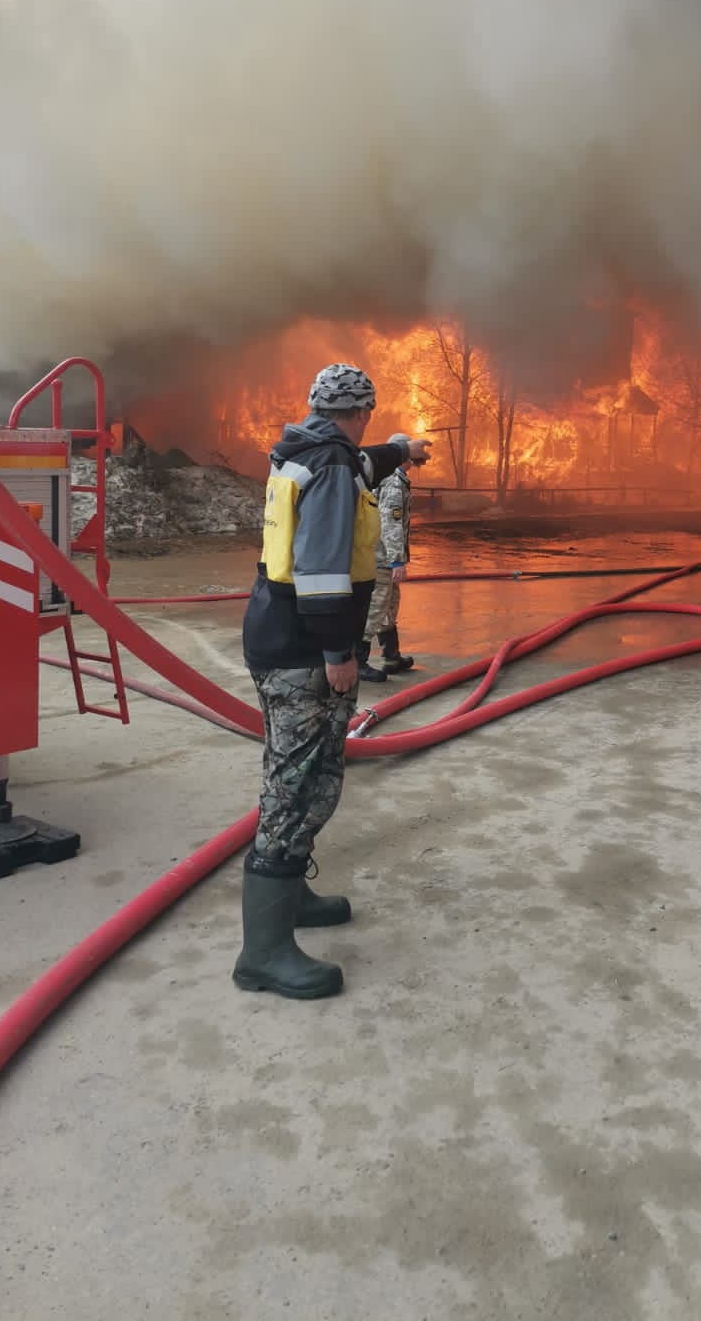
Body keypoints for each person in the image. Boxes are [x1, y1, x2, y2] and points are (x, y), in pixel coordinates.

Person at [235, 363, 431, 1000]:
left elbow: (360, 466)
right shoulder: (331, 467)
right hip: (303, 649)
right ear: (361, 413)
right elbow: (320, 566)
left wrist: (402, 450)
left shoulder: (306, 450)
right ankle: (262, 955)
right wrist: (339, 650)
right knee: (297, 788)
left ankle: (291, 895)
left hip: (278, 637)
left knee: (299, 775)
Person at [357, 433, 425, 682]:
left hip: (382, 555)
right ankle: (358, 661)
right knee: (377, 605)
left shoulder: (393, 478)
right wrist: (397, 560)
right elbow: (390, 524)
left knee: (389, 604)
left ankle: (391, 656)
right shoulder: (394, 483)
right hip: (382, 558)